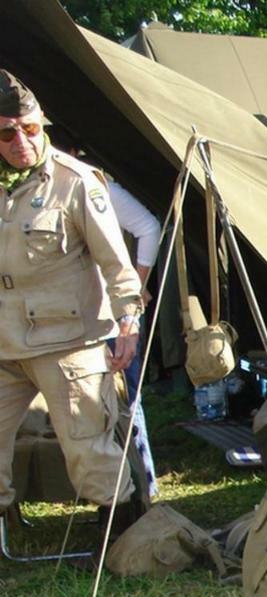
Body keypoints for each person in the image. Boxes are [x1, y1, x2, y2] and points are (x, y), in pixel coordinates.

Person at [0, 70, 145, 538]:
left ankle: (123, 540)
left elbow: (116, 262)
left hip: (67, 339)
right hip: (4, 343)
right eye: (6, 132)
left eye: (30, 128)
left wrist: (128, 320)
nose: (20, 140)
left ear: (43, 125)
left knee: (88, 446)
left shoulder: (75, 182)